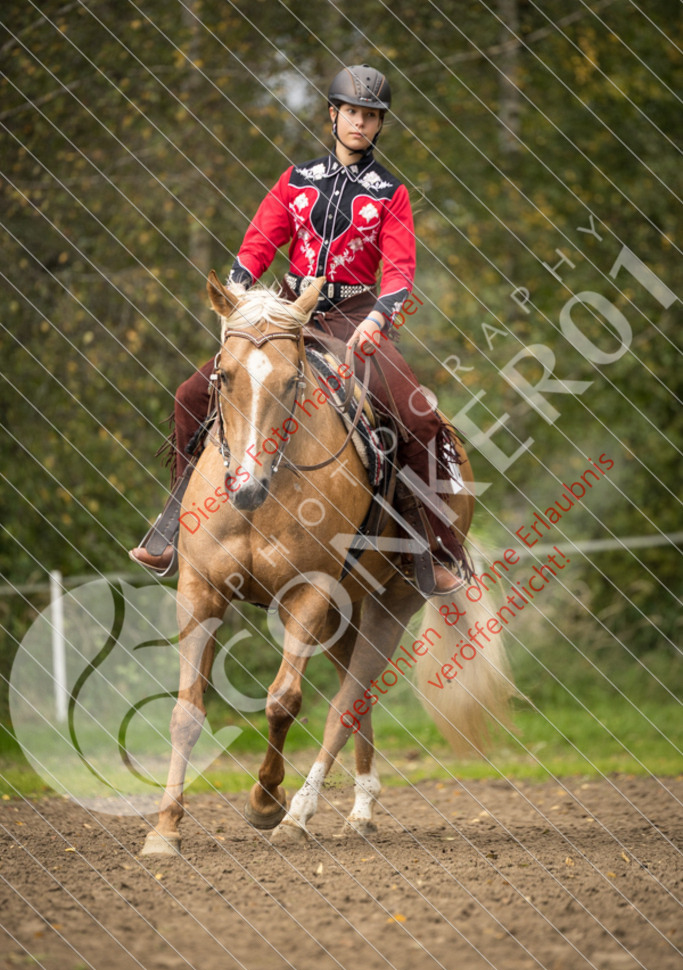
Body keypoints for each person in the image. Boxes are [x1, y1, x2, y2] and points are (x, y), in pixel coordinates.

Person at [130, 64, 467, 593]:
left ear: (380, 124)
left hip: (354, 317)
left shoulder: (391, 193)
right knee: (190, 394)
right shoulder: (296, 181)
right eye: (351, 112)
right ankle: (173, 521)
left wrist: (378, 318)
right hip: (285, 314)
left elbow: (401, 271)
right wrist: (238, 294)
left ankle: (434, 547)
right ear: (333, 115)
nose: (359, 123)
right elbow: (258, 245)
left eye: (370, 116)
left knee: (417, 418)